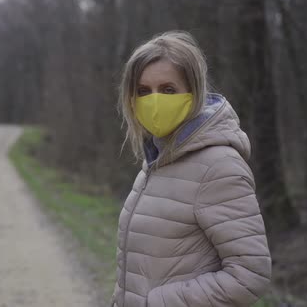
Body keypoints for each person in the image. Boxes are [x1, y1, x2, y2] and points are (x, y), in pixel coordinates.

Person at [111, 31, 271, 307]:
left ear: (194, 93)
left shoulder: (218, 166)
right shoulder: (157, 160)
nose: (155, 101)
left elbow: (250, 274)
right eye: (143, 91)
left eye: (168, 89)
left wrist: (158, 303)